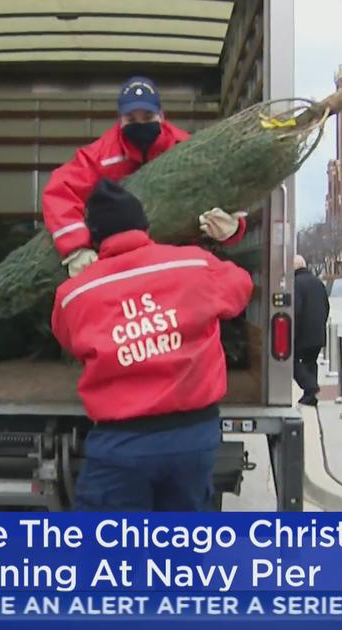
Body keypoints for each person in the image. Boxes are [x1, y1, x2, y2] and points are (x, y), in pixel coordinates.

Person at [51, 180, 253, 511]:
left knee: (110, 558)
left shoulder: (74, 294)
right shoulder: (194, 265)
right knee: (179, 555)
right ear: (143, 225)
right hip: (193, 438)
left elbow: (69, 340)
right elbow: (241, 288)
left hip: (120, 445)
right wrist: (225, 238)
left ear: (95, 239)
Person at [42, 76, 246, 278]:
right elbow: (59, 192)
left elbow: (224, 193)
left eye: (147, 117)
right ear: (120, 119)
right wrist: (77, 248)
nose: (140, 124)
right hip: (121, 265)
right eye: (131, 119)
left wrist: (233, 229)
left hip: (177, 261)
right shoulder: (100, 157)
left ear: (161, 115)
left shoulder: (188, 150)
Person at [293, 254, 330, 406]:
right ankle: (310, 396)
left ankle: (310, 388)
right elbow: (326, 306)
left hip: (303, 333)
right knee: (310, 362)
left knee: (291, 362)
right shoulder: (318, 283)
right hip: (318, 331)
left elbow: (295, 310)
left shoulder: (295, 283)